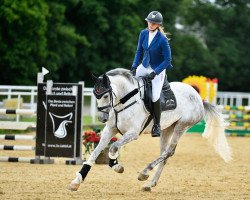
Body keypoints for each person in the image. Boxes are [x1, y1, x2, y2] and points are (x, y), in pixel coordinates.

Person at [131, 11, 173, 137]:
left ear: (158, 25)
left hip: (157, 68)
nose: (151, 24)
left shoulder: (162, 40)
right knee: (130, 81)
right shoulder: (143, 33)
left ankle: (157, 125)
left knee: (155, 96)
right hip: (144, 65)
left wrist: (155, 72)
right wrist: (134, 66)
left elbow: (167, 60)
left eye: (154, 23)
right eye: (150, 22)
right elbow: (139, 51)